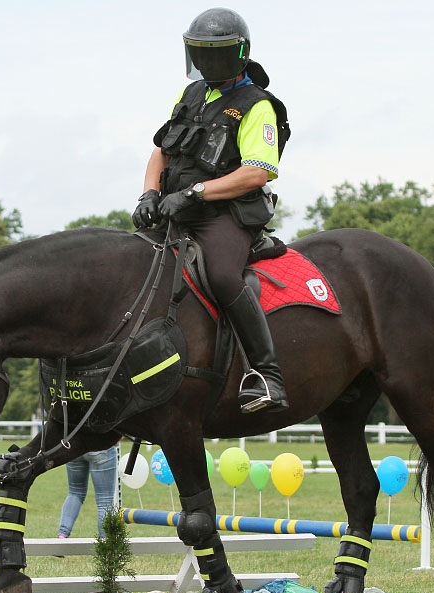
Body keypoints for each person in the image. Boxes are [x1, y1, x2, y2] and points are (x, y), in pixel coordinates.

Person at [131, 8, 290, 413]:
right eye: (200, 53)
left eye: (215, 54)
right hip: (174, 210)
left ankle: (267, 376)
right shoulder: (191, 95)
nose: (207, 62)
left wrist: (196, 192)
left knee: (221, 275)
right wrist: (148, 195)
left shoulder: (258, 106)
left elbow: (257, 172)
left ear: (239, 54)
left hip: (226, 216)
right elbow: (160, 151)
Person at [56, 444, 120, 539]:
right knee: (104, 501)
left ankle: (62, 536)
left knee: (74, 493)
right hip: (100, 446)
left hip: (74, 448)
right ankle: (106, 545)